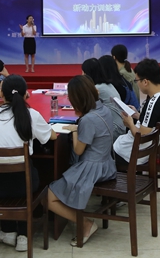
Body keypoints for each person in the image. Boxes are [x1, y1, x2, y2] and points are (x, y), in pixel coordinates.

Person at [0, 75, 56, 252]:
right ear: (25, 94)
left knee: (3, 169)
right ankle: (23, 235)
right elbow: (51, 137)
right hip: (24, 185)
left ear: (1, 94)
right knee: (31, 170)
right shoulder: (31, 115)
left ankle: (8, 231)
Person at [47, 75, 117, 247]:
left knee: (48, 197)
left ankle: (85, 224)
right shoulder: (104, 109)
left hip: (92, 168)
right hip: (107, 164)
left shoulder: (87, 119)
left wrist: (75, 131)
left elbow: (78, 150)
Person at [113, 58, 160, 165]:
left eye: (137, 81)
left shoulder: (154, 102)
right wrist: (137, 115)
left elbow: (142, 136)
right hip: (142, 148)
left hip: (134, 153)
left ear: (145, 82)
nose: (137, 84)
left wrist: (130, 123)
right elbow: (153, 121)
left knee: (100, 154)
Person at [82, 58, 125, 140]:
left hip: (114, 130)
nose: (82, 75)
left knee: (81, 130)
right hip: (120, 127)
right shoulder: (108, 85)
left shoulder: (98, 89)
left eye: (83, 72)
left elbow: (84, 109)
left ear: (87, 73)